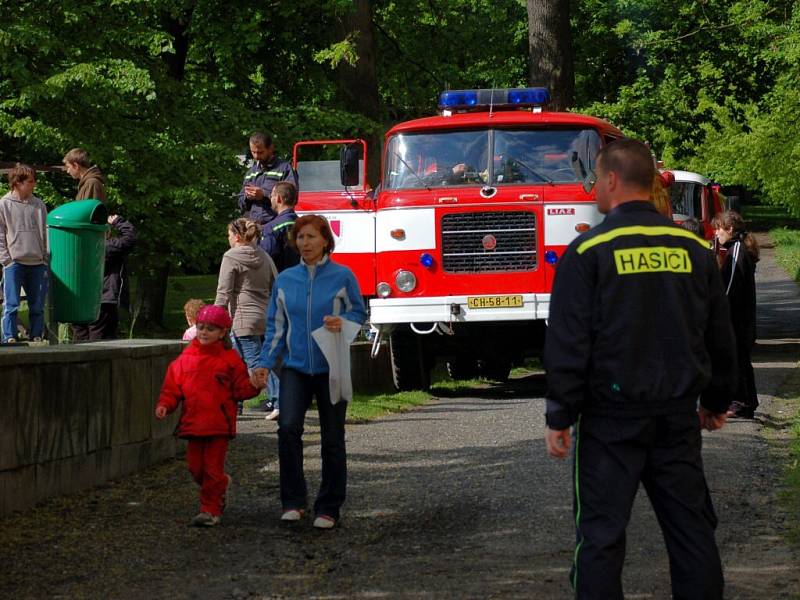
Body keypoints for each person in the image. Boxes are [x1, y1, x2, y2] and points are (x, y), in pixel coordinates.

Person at [543, 139, 737, 599]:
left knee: (600, 537)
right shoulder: (692, 249)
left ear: (610, 180)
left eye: (594, 178)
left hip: (610, 420)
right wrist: (714, 400)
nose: (593, 188)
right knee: (692, 532)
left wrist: (560, 414)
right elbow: (720, 335)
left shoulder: (588, 252)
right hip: (675, 416)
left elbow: (569, 342)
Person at [251, 214, 367, 530]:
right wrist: (263, 363)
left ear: (325, 240)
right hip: (295, 368)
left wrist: (344, 323)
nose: (305, 243)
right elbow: (276, 326)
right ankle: (293, 502)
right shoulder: (286, 280)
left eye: (311, 237)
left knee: (332, 438)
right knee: (288, 429)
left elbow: (359, 311)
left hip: (332, 367)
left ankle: (328, 507)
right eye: (300, 238)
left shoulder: (343, 276)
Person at [155, 305, 260, 527]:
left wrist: (253, 385)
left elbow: (240, 389)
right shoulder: (186, 359)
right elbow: (172, 387)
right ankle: (220, 486)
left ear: (222, 333)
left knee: (212, 470)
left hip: (218, 425)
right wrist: (166, 404)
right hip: (194, 424)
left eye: (210, 329)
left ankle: (210, 509)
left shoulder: (230, 359)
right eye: (201, 327)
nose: (203, 332)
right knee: (196, 468)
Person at [214, 218, 277, 416]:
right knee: (237, 363)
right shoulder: (264, 255)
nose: (228, 238)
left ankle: (281, 401)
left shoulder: (231, 257)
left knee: (257, 364)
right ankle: (235, 403)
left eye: (229, 235)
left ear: (238, 236)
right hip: (265, 318)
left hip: (243, 320)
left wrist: (213, 319)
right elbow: (276, 284)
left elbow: (223, 292)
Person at [260, 181, 301, 420]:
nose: (270, 200)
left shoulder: (271, 229)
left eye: (272, 196)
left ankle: (282, 400)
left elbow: (266, 262)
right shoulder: (305, 225)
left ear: (278, 198)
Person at [712, 209, 759, 419]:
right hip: (741, 319)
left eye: (718, 228)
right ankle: (747, 402)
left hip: (737, 319)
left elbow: (730, 286)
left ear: (730, 229)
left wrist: (718, 311)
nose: (716, 233)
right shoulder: (736, 248)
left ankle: (740, 401)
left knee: (737, 360)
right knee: (740, 360)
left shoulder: (737, 250)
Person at [0, 164, 49, 344]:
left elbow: (45, 232)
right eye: (30, 181)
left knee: (37, 305)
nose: (33, 184)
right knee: (11, 304)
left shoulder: (39, 204)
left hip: (37, 262)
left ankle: (37, 335)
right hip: (14, 262)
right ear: (17, 182)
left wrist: (44, 258)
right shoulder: (4, 204)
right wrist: (6, 260)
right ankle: (9, 337)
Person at [72, 214, 136, 342]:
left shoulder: (76, 246)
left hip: (78, 300)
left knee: (82, 338)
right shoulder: (105, 247)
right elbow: (130, 239)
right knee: (100, 339)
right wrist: (118, 221)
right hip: (103, 299)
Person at [238, 132, 298, 225]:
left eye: (260, 152)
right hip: (253, 228)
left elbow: (292, 199)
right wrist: (247, 197)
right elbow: (240, 203)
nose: (256, 156)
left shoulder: (285, 169)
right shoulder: (250, 173)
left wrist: (263, 196)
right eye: (253, 152)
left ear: (270, 148)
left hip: (276, 226)